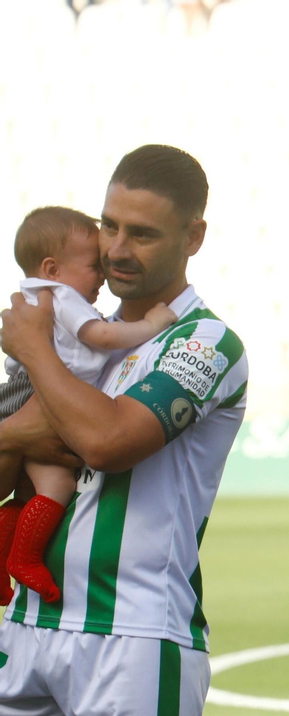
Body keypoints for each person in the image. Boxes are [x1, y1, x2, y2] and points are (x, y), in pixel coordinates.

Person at [0, 144, 247, 716]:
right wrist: (40, 405)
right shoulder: (80, 336)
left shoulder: (204, 345)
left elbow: (104, 440)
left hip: (136, 632)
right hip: (27, 626)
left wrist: (30, 360)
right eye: (108, 226)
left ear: (194, 235)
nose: (117, 247)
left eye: (142, 232)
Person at [3, 206, 178, 603]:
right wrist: (151, 325)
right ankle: (24, 558)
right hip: (39, 392)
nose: (102, 273)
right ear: (52, 267)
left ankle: (3, 558)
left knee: (25, 492)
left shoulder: (36, 296)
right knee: (57, 483)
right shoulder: (61, 296)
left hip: (22, 389)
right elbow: (98, 334)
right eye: (92, 265)